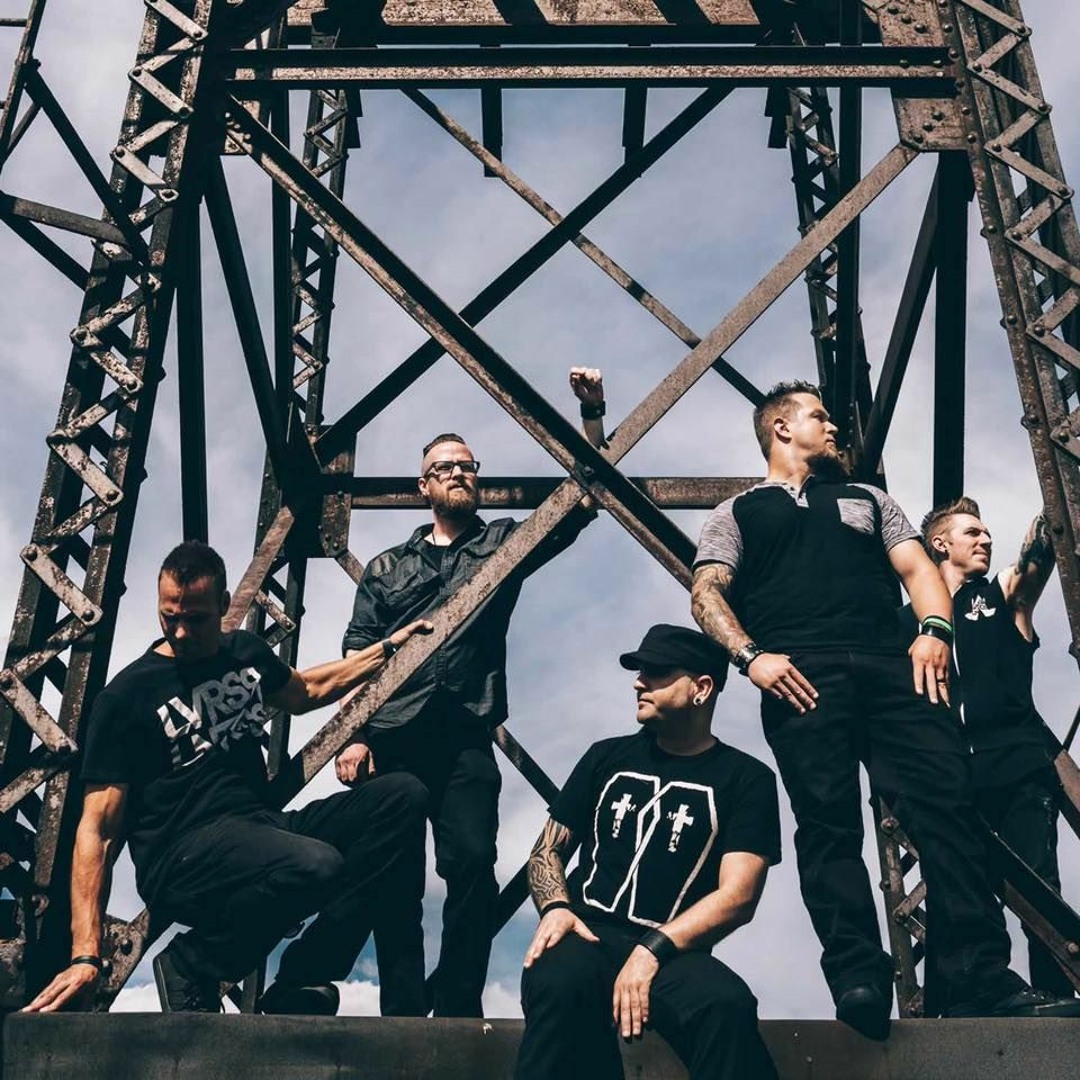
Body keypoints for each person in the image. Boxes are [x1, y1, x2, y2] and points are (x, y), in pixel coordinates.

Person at [689, 379, 1080, 1037]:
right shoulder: (738, 513)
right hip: (800, 676)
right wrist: (750, 656)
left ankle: (979, 977)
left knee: (948, 809)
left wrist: (935, 630)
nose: (833, 427)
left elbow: (919, 571)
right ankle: (858, 977)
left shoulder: (868, 499)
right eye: (819, 416)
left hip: (892, 670)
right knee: (828, 825)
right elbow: (707, 591)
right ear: (781, 428)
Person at [24, 541, 433, 1016]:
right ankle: (192, 963)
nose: (180, 631)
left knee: (403, 796)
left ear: (222, 605)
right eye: (169, 616)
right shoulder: (126, 698)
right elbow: (98, 830)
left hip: (260, 828)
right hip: (182, 854)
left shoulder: (245, 654)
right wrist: (85, 955)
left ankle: (302, 977)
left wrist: (389, 648)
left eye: (195, 619)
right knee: (316, 865)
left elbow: (307, 689)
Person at [336, 368, 606, 1017]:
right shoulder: (388, 567)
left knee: (474, 866)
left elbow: (579, 506)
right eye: (444, 467)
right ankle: (403, 1013)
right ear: (424, 486)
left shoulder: (501, 543)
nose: (458, 473)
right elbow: (356, 654)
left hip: (464, 737)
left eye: (467, 466)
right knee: (394, 881)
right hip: (393, 737)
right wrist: (353, 735)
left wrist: (591, 415)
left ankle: (458, 1006)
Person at [514, 624, 780, 1080]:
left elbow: (738, 896)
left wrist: (651, 950)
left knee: (728, 1005)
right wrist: (556, 907)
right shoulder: (605, 757)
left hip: (675, 951)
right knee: (561, 984)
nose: (639, 683)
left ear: (701, 688)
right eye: (639, 672)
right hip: (588, 933)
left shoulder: (747, 779)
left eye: (656, 672)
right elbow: (547, 849)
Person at [907, 496, 1074, 996]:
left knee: (1040, 888)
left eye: (986, 533)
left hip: (1017, 767)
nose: (986, 539)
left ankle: (1058, 998)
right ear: (940, 544)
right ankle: (966, 1002)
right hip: (953, 777)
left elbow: (1043, 543)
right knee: (957, 894)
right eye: (972, 532)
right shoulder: (912, 621)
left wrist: (1057, 498)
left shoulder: (1002, 594)